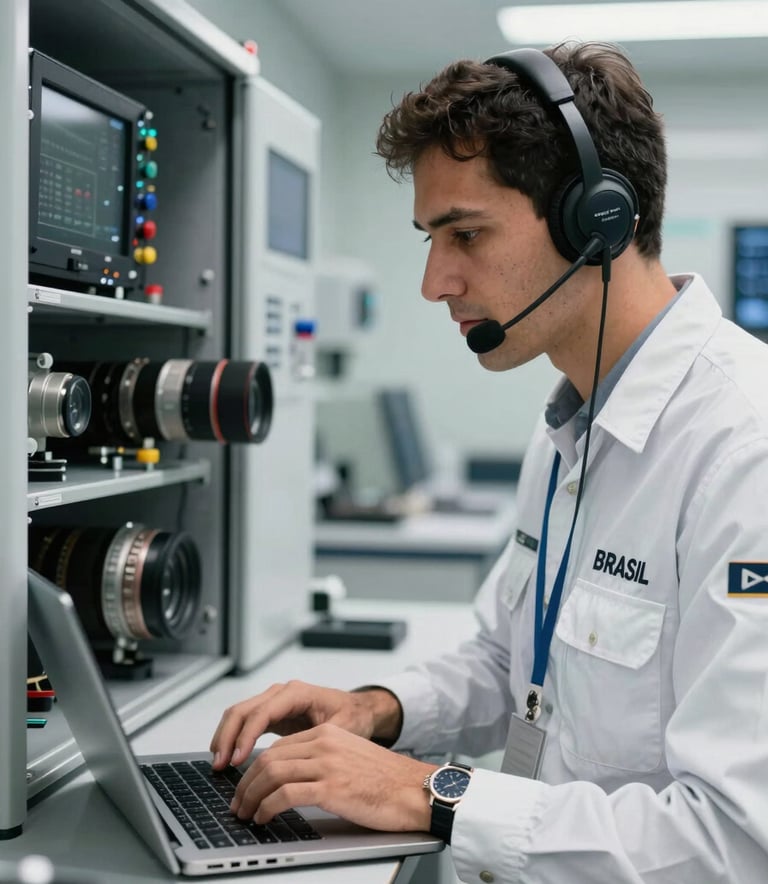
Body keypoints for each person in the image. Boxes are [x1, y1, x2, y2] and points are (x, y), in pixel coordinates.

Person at [210, 41, 768, 882]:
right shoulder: (572, 425)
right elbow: (513, 660)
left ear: (598, 222)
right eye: (431, 240)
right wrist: (380, 713)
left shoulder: (742, 450)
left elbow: (735, 841)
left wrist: (430, 795)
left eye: (465, 234)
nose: (436, 282)